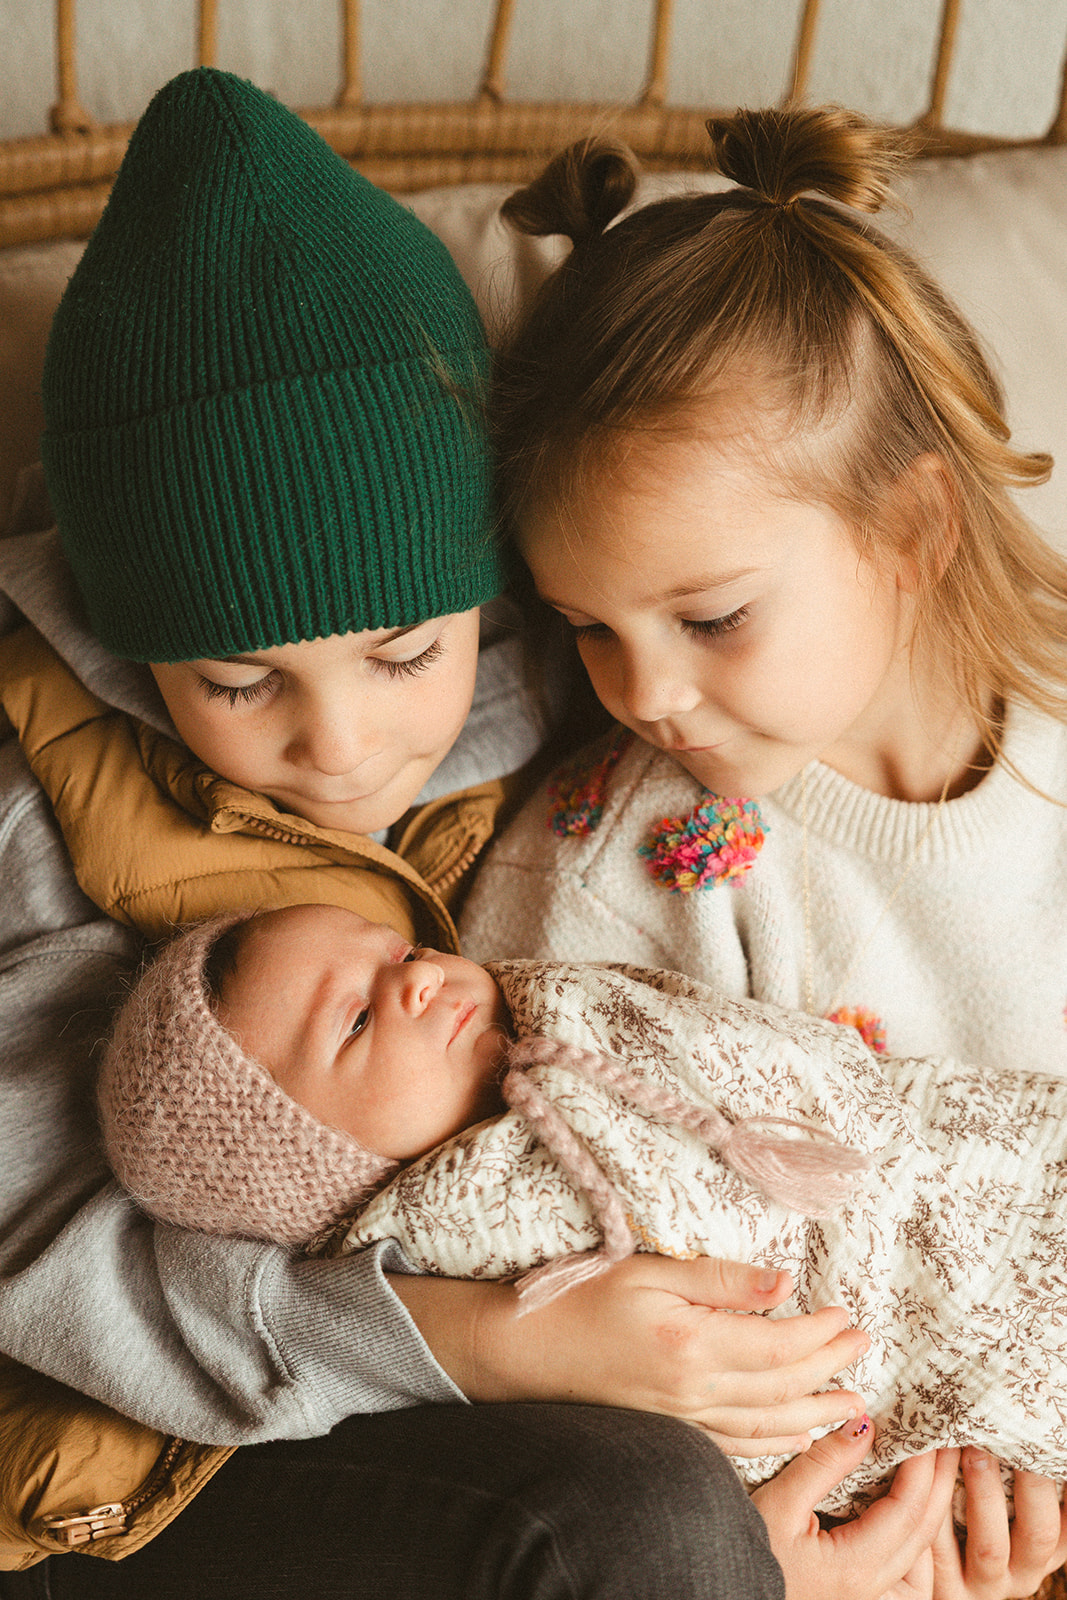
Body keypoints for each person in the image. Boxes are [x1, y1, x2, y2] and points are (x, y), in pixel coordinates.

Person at [0, 68, 898, 1600]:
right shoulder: (34, 787)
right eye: (237, 683)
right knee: (645, 1524)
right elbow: (39, 1259)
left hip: (552, 1381)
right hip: (134, 1469)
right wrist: (483, 1342)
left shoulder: (587, 668)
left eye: (406, 654)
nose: (340, 745)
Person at [452, 102, 1067, 1593]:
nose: (646, 693)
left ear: (911, 530)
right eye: (588, 627)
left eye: (709, 616)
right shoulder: (613, 872)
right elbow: (562, 1275)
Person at [96, 900, 1067, 1530]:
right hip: (909, 1336)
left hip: (956, 1157)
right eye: (356, 1020)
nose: (419, 979)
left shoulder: (564, 1007)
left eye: (402, 951)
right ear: (318, 1162)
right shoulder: (465, 1237)